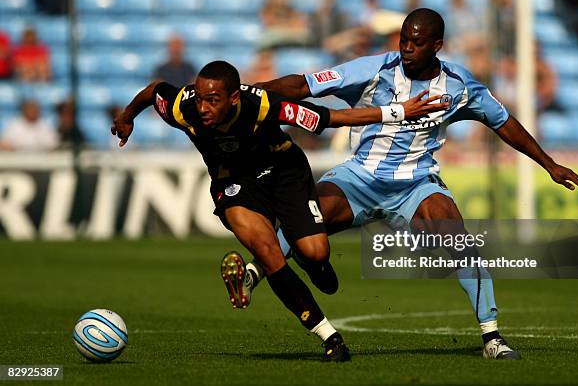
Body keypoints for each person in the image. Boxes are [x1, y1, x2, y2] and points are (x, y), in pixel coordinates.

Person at [241, 8, 578, 360]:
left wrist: (549, 164)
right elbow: (303, 85)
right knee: (304, 221)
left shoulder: (458, 85)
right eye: (404, 39)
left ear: (437, 45)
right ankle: (255, 272)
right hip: (359, 177)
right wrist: (247, 93)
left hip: (416, 185)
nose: (407, 47)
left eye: (417, 42)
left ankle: (493, 339)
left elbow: (503, 122)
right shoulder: (372, 70)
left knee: (461, 243)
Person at [111, 60, 448, 361]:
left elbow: (332, 118)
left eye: (211, 100)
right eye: (199, 98)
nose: (202, 107)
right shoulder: (182, 107)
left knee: (315, 253)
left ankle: (308, 259)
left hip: (285, 172)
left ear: (233, 98)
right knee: (268, 252)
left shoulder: (263, 104)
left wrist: (397, 112)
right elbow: (154, 90)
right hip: (234, 183)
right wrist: (127, 117)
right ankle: (329, 336)